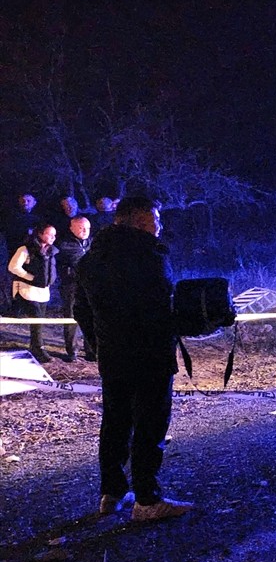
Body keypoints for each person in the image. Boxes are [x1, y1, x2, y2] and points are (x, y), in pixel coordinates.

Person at [74, 196, 193, 521]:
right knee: (150, 426)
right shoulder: (148, 256)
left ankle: (112, 493)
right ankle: (147, 500)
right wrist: (191, 323)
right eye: (155, 217)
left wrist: (100, 342)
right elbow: (158, 311)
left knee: (115, 423)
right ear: (138, 219)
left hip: (112, 358)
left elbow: (80, 310)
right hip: (150, 356)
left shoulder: (90, 260)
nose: (160, 224)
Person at [7, 222, 58, 364]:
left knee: (39, 320)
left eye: (54, 234)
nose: (53, 237)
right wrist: (30, 277)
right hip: (28, 289)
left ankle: (35, 346)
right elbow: (13, 267)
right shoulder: (25, 249)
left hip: (43, 291)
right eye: (49, 233)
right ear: (40, 234)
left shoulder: (51, 251)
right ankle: (38, 348)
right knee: (36, 319)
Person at [56, 215, 95, 362]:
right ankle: (72, 350)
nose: (85, 231)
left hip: (91, 286)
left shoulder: (93, 243)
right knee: (71, 317)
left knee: (91, 317)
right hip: (71, 286)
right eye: (81, 227)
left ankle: (91, 350)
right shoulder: (63, 245)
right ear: (72, 228)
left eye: (87, 228)